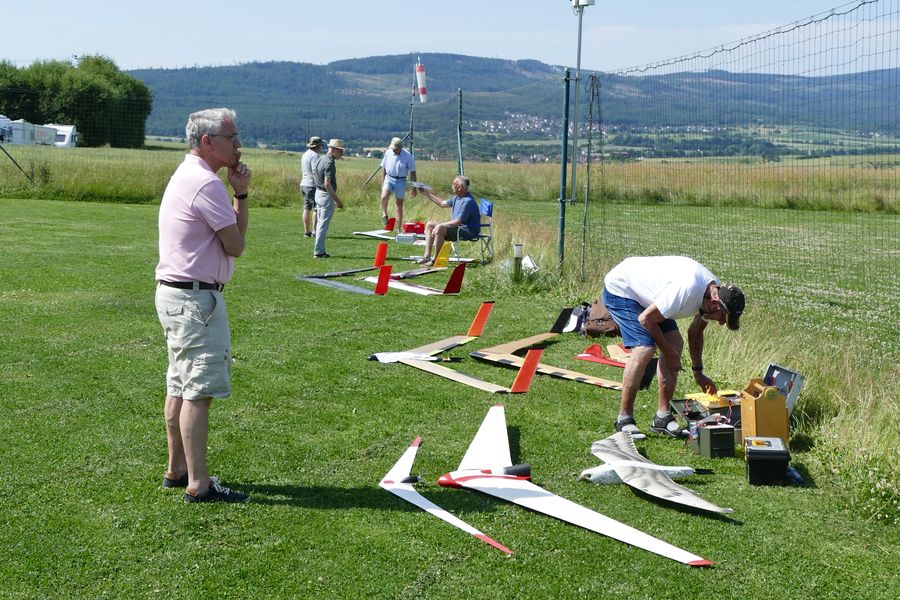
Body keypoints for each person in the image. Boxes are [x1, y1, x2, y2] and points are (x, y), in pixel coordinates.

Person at [155, 107, 251, 503]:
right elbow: (236, 245)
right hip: (196, 300)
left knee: (179, 382)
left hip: (176, 294)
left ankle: (177, 469)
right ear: (208, 142)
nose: (238, 145)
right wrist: (240, 195)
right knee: (198, 389)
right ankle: (198, 483)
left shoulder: (188, 174)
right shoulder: (206, 184)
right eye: (231, 138)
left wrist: (237, 192)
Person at [601, 256, 745, 438]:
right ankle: (624, 419)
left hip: (650, 296)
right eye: (723, 317)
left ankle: (662, 417)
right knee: (644, 349)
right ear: (715, 304)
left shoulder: (710, 297)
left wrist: (698, 372)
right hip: (622, 289)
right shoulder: (688, 289)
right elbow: (646, 320)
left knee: (675, 343)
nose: (722, 323)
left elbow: (695, 333)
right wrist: (669, 354)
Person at [417, 175, 481, 265]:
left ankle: (436, 260)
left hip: (468, 230)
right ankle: (426, 256)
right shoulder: (457, 197)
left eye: (454, 183)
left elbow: (458, 222)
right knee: (429, 225)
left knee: (440, 228)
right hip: (458, 228)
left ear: (460, 187)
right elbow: (442, 203)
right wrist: (427, 194)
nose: (451, 185)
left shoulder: (467, 201)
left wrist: (441, 225)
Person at [312, 138, 346, 258]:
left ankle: (319, 249)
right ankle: (319, 251)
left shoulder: (321, 158)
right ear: (334, 150)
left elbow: (314, 173)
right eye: (340, 151)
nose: (342, 153)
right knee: (323, 225)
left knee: (320, 224)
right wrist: (337, 200)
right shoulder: (329, 163)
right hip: (325, 196)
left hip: (318, 193)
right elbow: (327, 184)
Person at [379, 136, 417, 227]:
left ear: (400, 148)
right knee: (384, 197)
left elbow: (413, 172)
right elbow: (384, 168)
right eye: (393, 148)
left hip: (401, 180)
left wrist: (413, 187)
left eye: (395, 149)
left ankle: (399, 227)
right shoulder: (388, 153)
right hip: (389, 178)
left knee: (399, 204)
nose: (394, 150)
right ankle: (384, 214)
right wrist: (383, 181)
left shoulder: (408, 156)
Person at [300, 136, 325, 237]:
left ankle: (306, 231)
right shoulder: (315, 156)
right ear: (318, 146)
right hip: (312, 185)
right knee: (316, 208)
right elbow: (315, 171)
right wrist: (321, 184)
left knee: (306, 208)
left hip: (303, 184)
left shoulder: (305, 155)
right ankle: (315, 231)